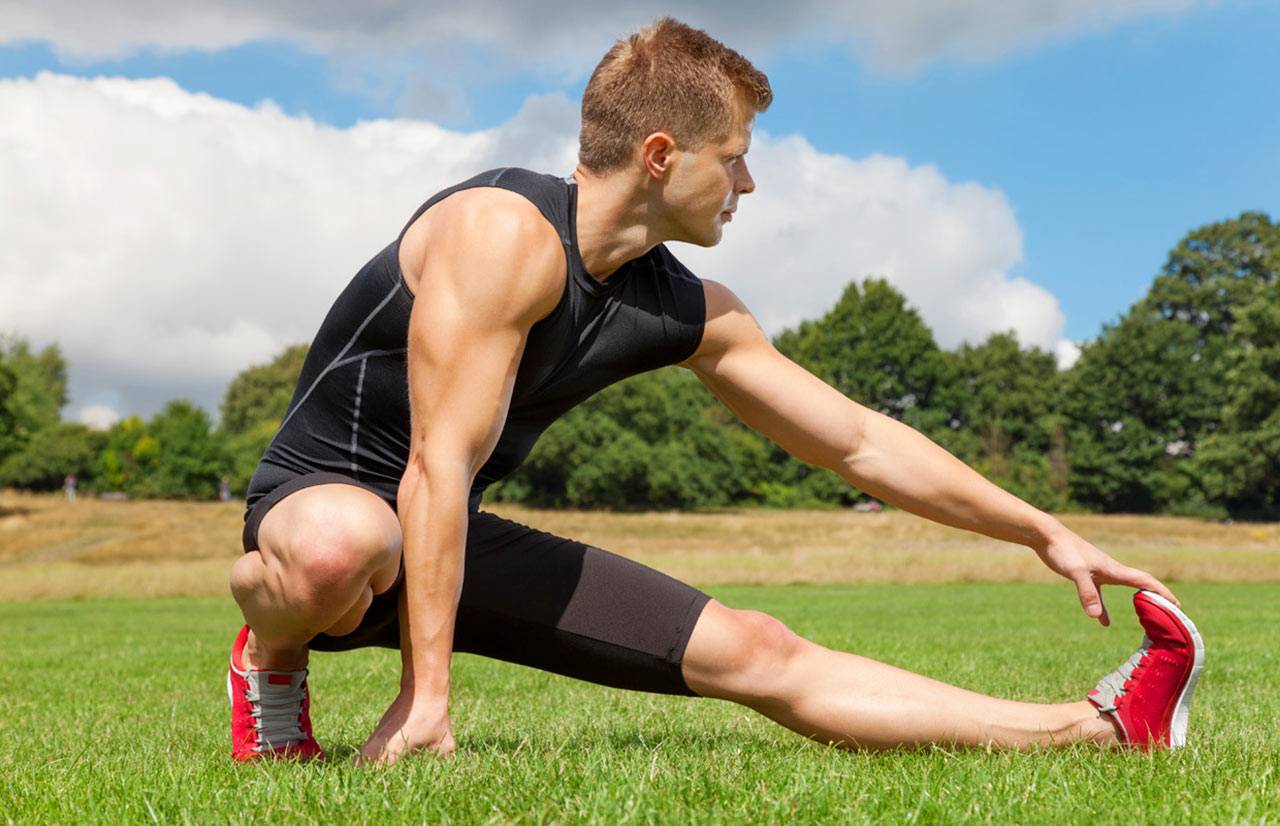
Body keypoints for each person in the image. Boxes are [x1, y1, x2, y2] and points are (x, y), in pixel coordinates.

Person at [227, 17, 1203, 765]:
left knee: (756, 648)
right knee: (341, 545)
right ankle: (270, 657)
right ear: (661, 155)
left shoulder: (686, 308)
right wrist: (424, 695)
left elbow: (855, 444)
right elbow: (437, 460)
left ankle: (1100, 728)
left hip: (448, 541)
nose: (747, 182)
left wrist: (1041, 529)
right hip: (325, 512)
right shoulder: (500, 234)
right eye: (732, 155)